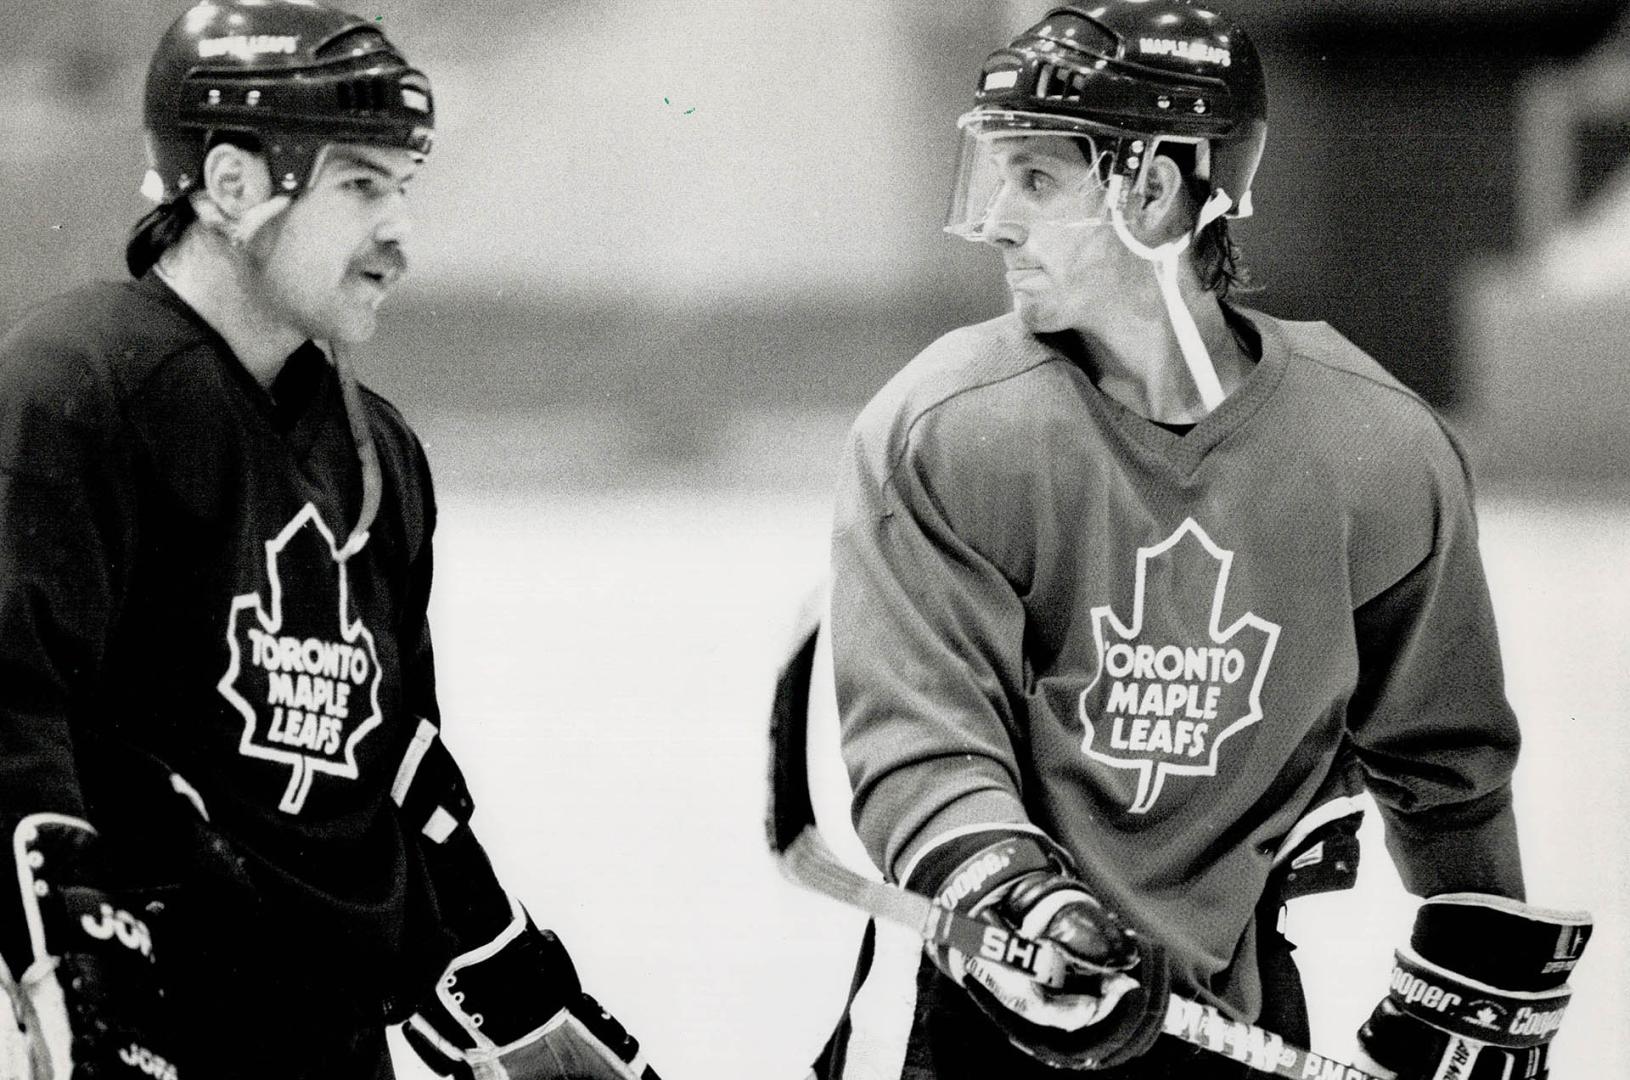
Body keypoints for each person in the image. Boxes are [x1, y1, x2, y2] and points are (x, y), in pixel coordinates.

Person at [815, 3, 1590, 1078]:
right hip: (998, 1018)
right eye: (993, 175)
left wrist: (1483, 968)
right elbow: (923, 749)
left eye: (1035, 178)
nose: (995, 217)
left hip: (1246, 1020)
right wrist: (1015, 902)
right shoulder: (946, 430)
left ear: (1154, 183)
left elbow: (1445, 767)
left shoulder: (1379, 449)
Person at [0, 4, 658, 1078]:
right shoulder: (77, 388)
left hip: (336, 1045)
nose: (399, 231)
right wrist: (69, 966)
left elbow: (388, 759)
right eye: (361, 185)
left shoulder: (374, 453)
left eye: (404, 188)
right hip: (156, 1036)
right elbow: (13, 699)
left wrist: (500, 976)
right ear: (231, 185)